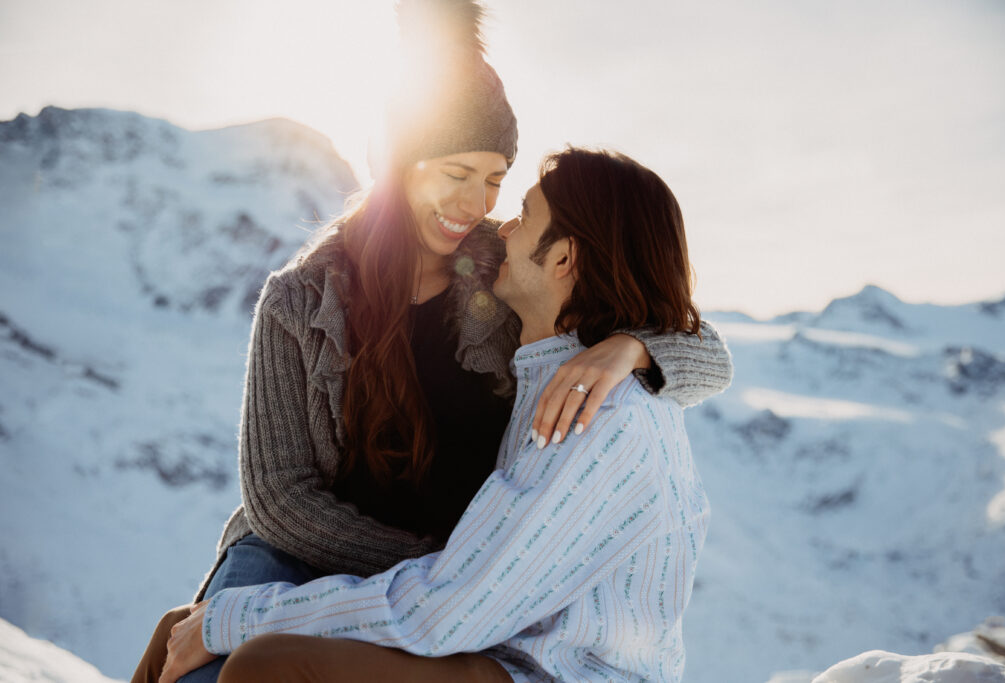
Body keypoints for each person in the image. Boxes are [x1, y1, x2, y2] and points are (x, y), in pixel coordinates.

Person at [131, 2, 733, 681]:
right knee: (191, 664)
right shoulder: (297, 302)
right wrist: (437, 566)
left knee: (262, 660)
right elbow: (278, 497)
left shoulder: (505, 274)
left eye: (496, 179)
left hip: (456, 585)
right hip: (318, 558)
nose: (478, 204)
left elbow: (700, 347)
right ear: (402, 165)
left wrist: (632, 347)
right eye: (456, 174)